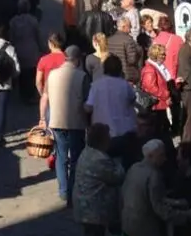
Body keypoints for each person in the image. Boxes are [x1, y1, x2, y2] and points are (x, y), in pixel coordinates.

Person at [72, 123, 124, 236]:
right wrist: (120, 164)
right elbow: (117, 177)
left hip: (86, 206)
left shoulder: (87, 152)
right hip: (93, 209)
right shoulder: (100, 159)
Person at [41, 45, 89, 204]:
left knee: (61, 157)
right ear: (77, 59)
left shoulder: (52, 75)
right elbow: (87, 102)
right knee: (76, 157)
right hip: (76, 122)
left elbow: (45, 96)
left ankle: (63, 190)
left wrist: (43, 118)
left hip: (56, 121)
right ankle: (72, 190)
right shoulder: (82, 76)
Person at [86, 54, 139, 144]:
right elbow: (132, 99)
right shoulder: (124, 85)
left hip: (103, 130)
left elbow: (89, 107)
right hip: (124, 129)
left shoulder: (96, 85)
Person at [8, 0, 41, 104]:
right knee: (32, 74)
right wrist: (43, 48)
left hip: (19, 50)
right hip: (31, 50)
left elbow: (11, 38)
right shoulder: (33, 20)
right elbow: (38, 37)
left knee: (21, 74)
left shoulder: (13, 21)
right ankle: (31, 95)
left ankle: (23, 95)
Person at [155, 16, 184, 136]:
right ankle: (176, 126)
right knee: (175, 104)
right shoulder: (177, 40)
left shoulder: (155, 40)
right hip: (173, 76)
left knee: (162, 102)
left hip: (160, 75)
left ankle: (165, 126)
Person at [140, 43, 172, 137]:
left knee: (163, 129)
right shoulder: (150, 69)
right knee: (160, 130)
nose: (165, 56)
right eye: (162, 54)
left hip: (160, 104)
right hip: (156, 105)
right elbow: (151, 88)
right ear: (156, 55)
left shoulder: (156, 67)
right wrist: (166, 95)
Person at [35, 33, 67, 100]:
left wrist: (43, 94)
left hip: (49, 93)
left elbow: (38, 81)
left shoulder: (43, 60)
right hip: (65, 94)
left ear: (51, 44)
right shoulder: (68, 59)